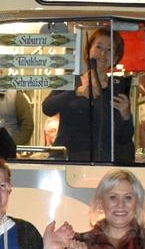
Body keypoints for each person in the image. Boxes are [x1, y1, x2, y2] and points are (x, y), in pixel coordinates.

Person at [42, 27, 134, 162]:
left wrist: (126, 115)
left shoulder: (117, 89)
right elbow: (47, 108)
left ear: (114, 59)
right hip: (68, 160)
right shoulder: (72, 81)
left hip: (104, 162)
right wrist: (76, 93)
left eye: (109, 50)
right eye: (98, 47)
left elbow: (124, 137)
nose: (103, 54)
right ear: (89, 50)